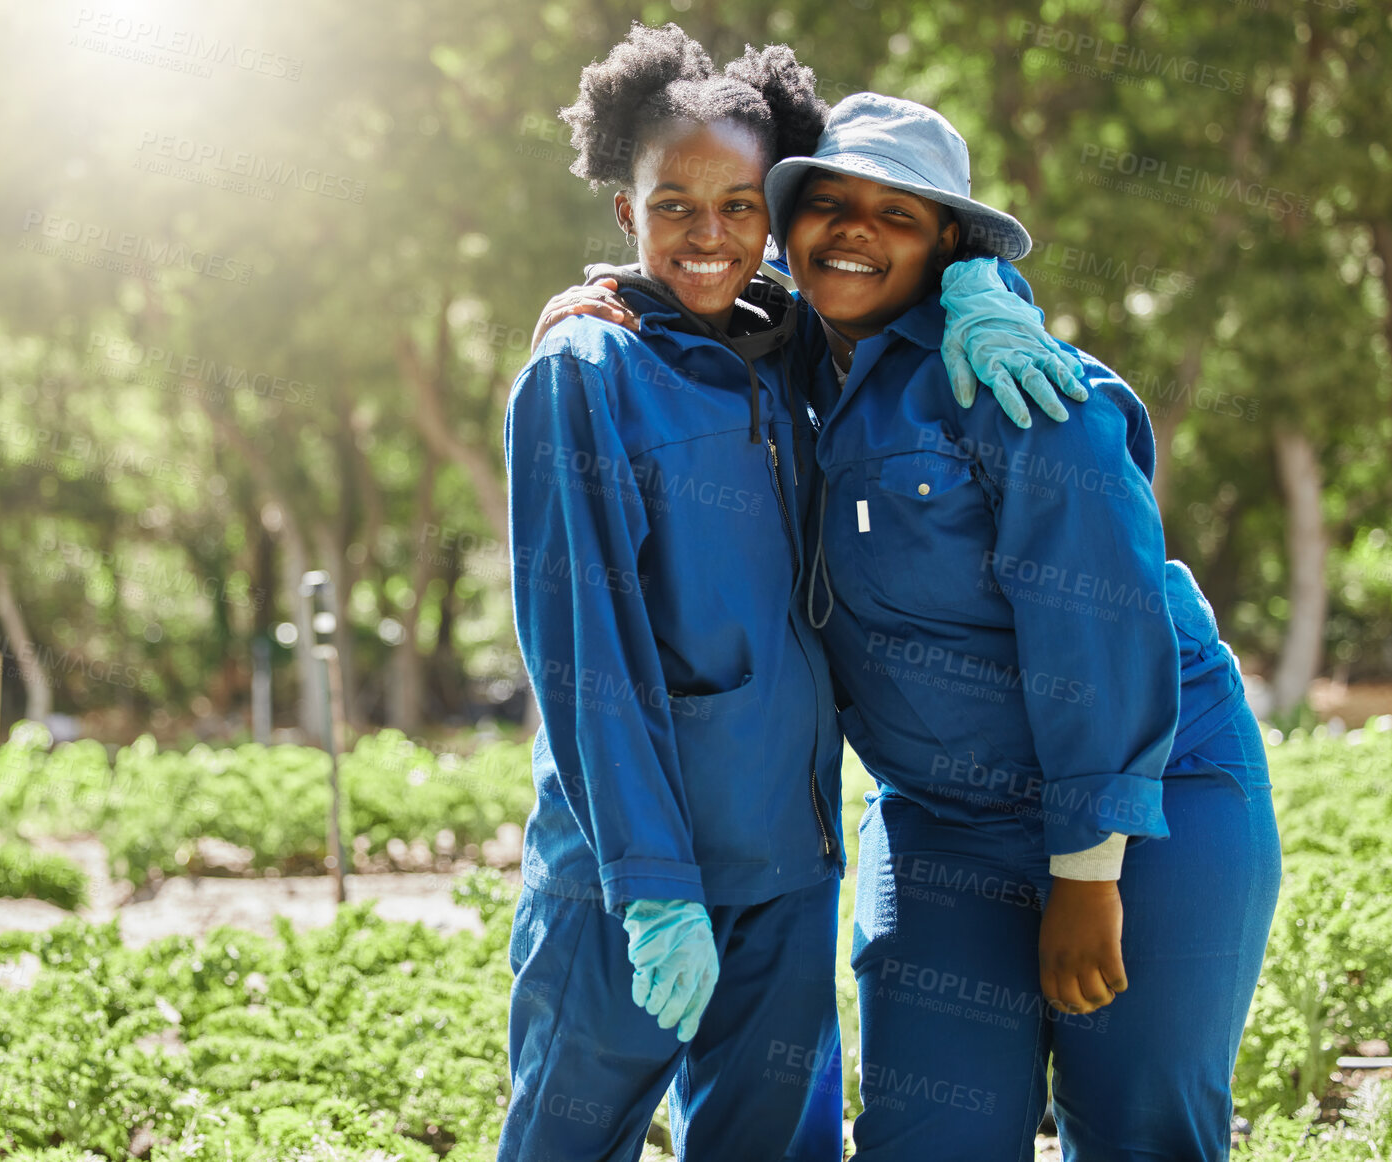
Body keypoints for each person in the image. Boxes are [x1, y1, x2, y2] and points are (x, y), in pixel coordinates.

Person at [502, 27, 1086, 1161]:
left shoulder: (789, 343)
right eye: (672, 205)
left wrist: (982, 284)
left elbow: (901, 271)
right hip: (629, 879)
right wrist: (652, 885)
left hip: (786, 862)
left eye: (736, 207)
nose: (706, 236)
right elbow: (587, 659)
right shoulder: (585, 372)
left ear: (769, 220)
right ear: (624, 214)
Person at [761, 92, 1281, 1160]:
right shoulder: (776, 369)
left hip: (1150, 801)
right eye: (827, 202)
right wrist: (596, 299)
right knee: (929, 1130)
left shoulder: (1015, 381)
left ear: (949, 242)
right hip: (941, 817)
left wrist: (1087, 873)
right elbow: (680, 277)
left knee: (1143, 1123)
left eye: (895, 214)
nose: (853, 230)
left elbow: (1102, 626)